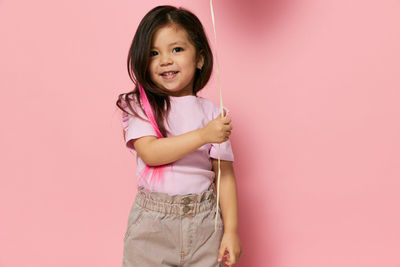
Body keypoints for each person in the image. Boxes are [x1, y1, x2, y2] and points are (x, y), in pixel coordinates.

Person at [116, 5, 242, 267]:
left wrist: (231, 231)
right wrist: (203, 135)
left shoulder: (213, 114)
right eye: (153, 53)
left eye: (177, 49)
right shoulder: (141, 105)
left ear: (200, 58)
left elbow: (225, 176)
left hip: (205, 223)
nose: (165, 60)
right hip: (153, 225)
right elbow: (151, 153)